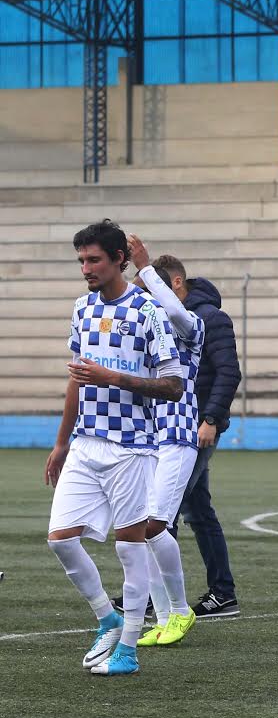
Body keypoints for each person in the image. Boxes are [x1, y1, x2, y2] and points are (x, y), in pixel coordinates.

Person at [45, 219, 182, 676]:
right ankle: (109, 617)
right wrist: (62, 442)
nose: (86, 267)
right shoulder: (82, 310)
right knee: (60, 540)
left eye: (94, 259)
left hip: (132, 447)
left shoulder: (148, 311)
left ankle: (128, 650)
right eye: (81, 260)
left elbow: (173, 386)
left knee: (130, 547)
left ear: (120, 259)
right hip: (86, 443)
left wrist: (115, 378)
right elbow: (76, 379)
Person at [127, 236, 204, 649]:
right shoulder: (149, 333)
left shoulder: (192, 325)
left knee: (155, 524)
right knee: (139, 529)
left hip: (177, 434)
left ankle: (179, 609)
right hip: (146, 437)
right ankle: (162, 617)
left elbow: (174, 309)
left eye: (151, 289)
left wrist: (143, 269)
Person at [163, 256, 243, 619]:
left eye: (157, 290)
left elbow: (229, 371)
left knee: (166, 509)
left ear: (176, 283)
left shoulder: (212, 318)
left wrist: (210, 418)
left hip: (197, 428)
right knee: (197, 510)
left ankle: (159, 595)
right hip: (175, 426)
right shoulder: (171, 317)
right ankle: (223, 593)